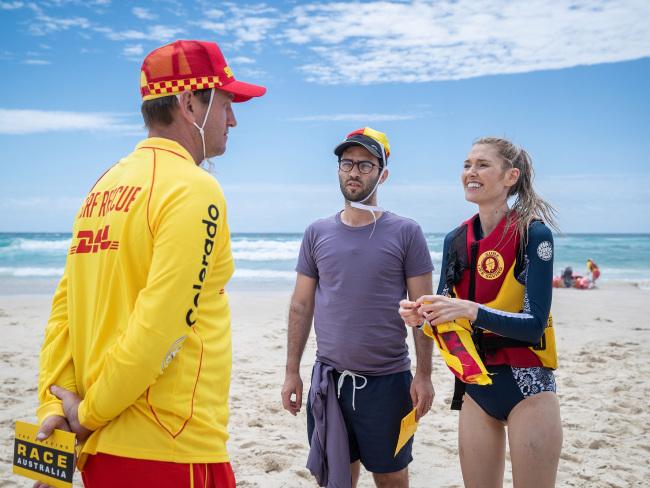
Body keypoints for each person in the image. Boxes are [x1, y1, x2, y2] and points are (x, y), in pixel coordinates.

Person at [34, 39, 265, 488]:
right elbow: (162, 323)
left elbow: (64, 310)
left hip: (101, 449)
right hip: (171, 446)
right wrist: (87, 413)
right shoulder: (194, 188)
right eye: (225, 102)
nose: (233, 118)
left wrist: (54, 407)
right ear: (188, 103)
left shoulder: (103, 187)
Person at [399, 137, 562, 488]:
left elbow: (534, 326)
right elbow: (445, 314)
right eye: (467, 164)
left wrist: (472, 311)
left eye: (482, 164)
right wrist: (422, 314)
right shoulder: (456, 239)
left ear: (510, 176)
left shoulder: (533, 234)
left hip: (529, 386)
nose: (471, 172)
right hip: (477, 387)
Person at [281, 128, 435, 488]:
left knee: (392, 477)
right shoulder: (317, 232)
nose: (354, 172)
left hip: (388, 383)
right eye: (347, 163)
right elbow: (301, 306)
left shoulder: (406, 232)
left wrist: (424, 374)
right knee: (336, 476)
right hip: (329, 382)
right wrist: (292, 372)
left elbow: (422, 312)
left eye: (365, 165)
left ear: (383, 174)